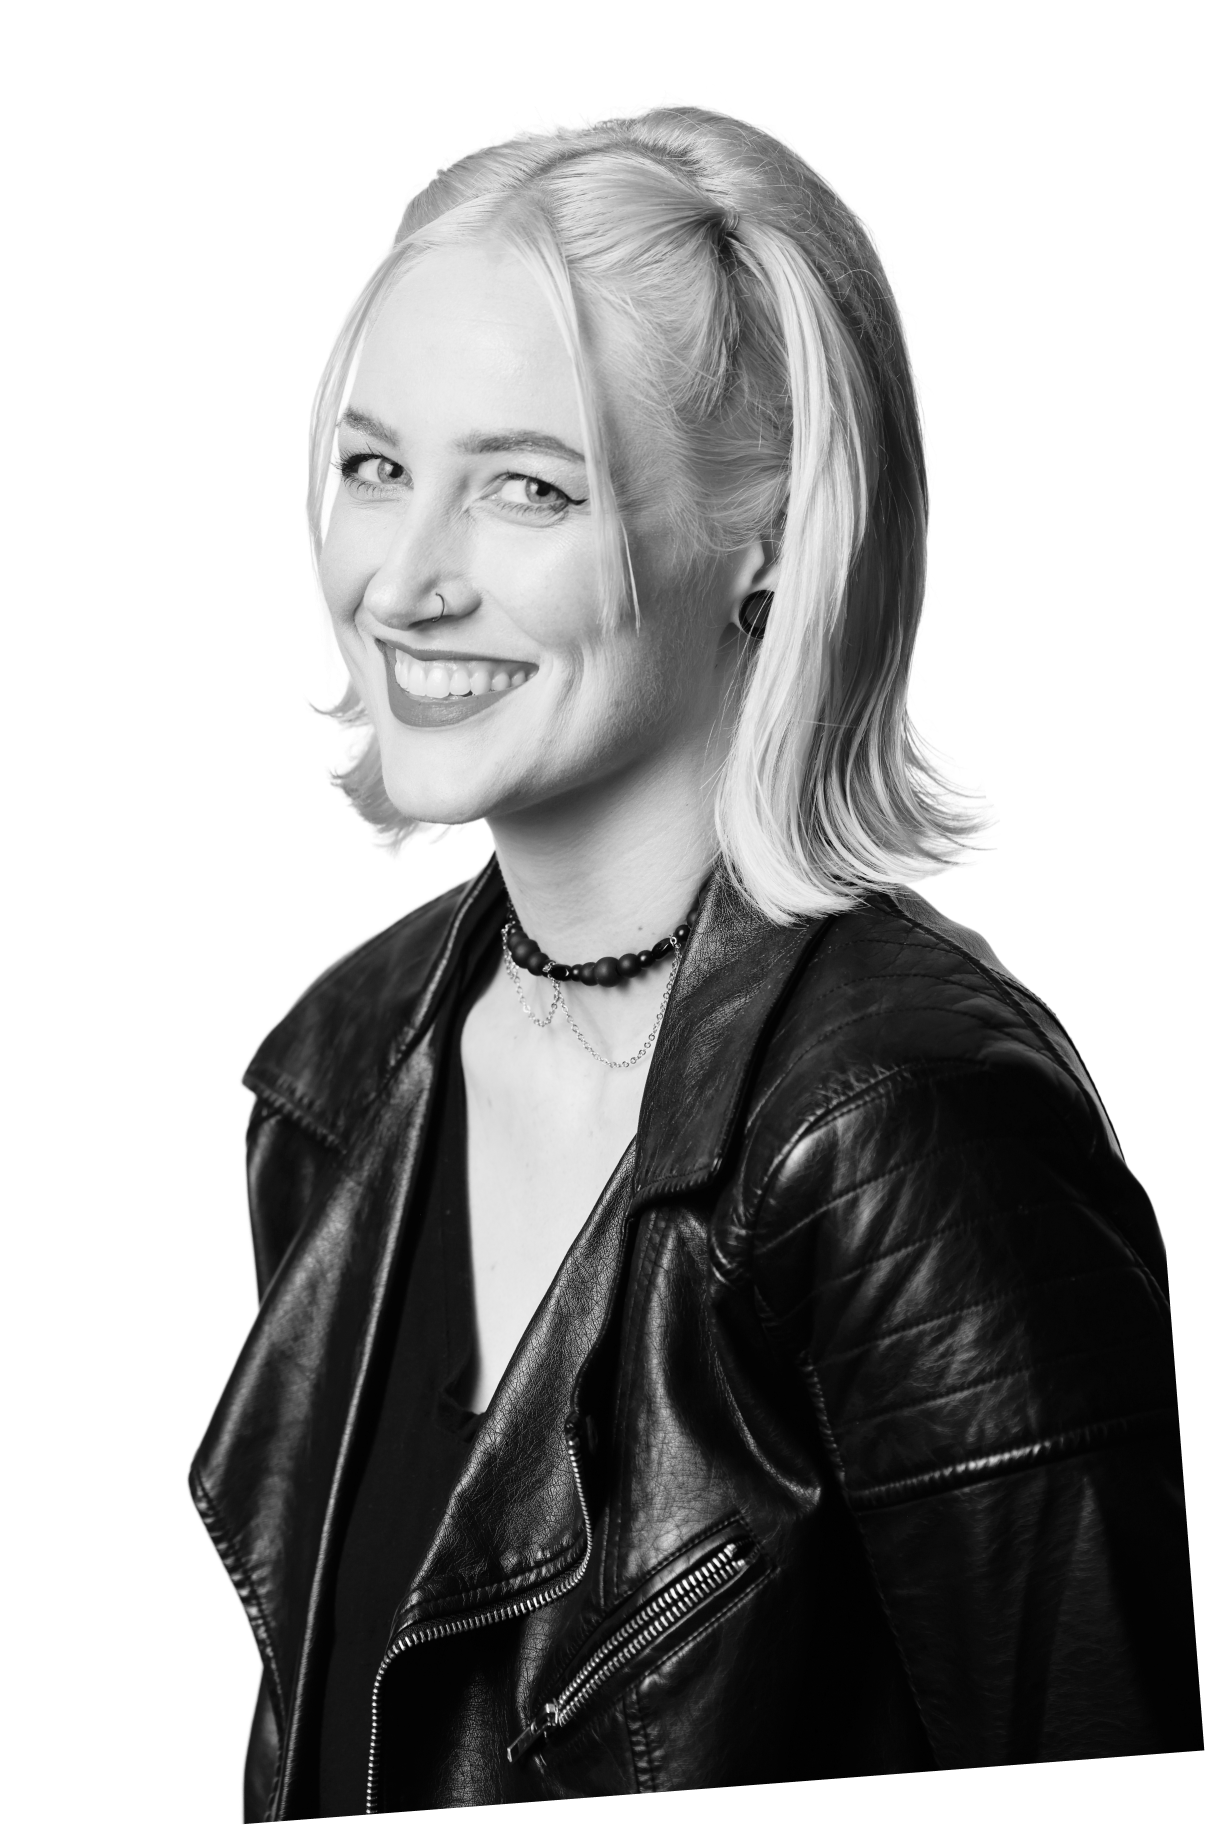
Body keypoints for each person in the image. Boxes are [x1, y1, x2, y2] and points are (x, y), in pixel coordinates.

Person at [187, 98, 1199, 1819]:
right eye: (372, 469)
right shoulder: (339, 1064)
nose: (402, 584)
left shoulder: (899, 1126)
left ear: (769, 536)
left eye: (527, 487)